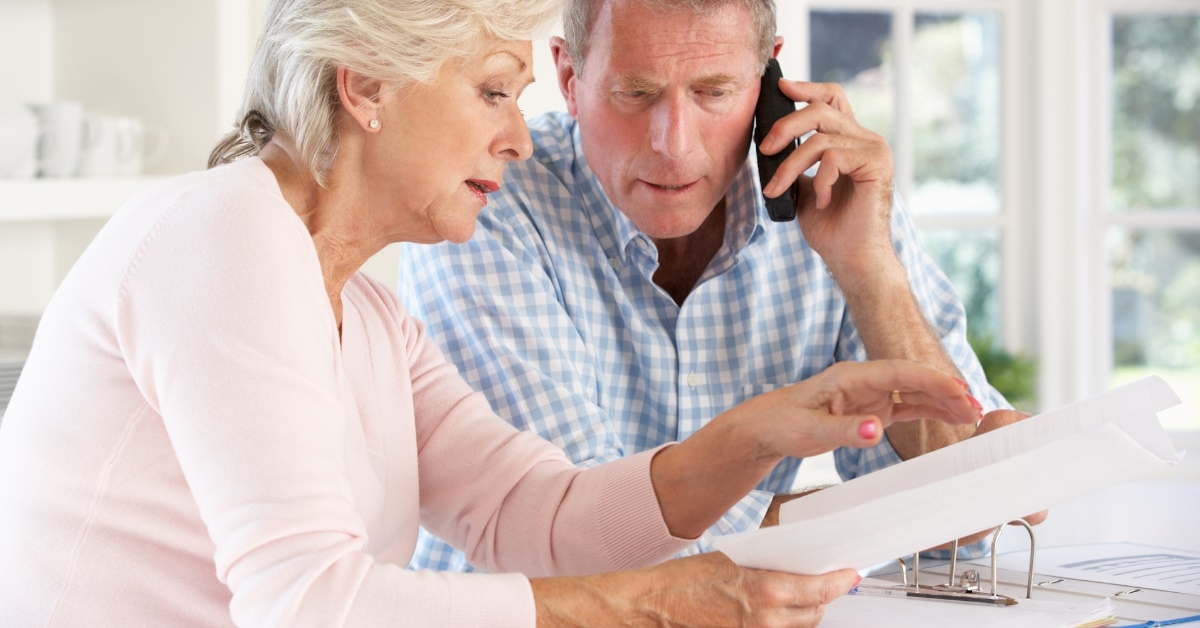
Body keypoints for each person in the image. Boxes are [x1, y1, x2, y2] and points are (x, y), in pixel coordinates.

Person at [0, 0, 985, 626]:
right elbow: (307, 604)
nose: (518, 139)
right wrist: (656, 604)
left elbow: (538, 516)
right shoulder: (228, 232)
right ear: (368, 87)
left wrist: (752, 435)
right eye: (491, 92)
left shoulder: (368, 317)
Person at [400, 0, 1037, 574]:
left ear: (768, 81)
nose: (673, 144)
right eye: (635, 92)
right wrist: (894, 513)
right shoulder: (489, 202)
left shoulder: (838, 199)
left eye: (713, 91)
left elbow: (968, 524)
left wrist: (869, 266)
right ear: (569, 78)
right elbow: (583, 533)